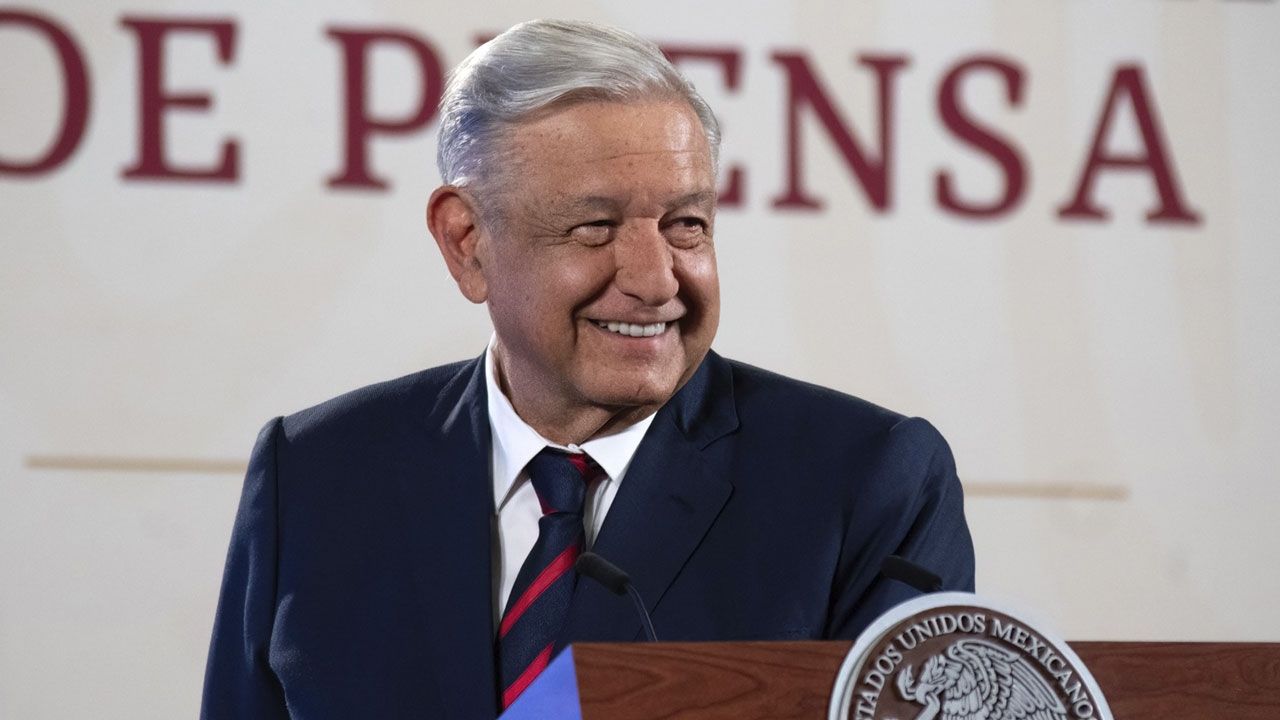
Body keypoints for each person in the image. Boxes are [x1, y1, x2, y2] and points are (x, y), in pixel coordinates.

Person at [200, 19, 973, 720]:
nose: (657, 279)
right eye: (594, 227)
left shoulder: (868, 482)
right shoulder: (318, 474)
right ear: (466, 241)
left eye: (686, 225)